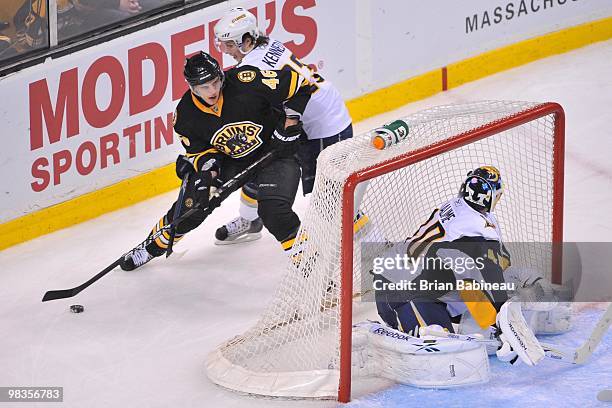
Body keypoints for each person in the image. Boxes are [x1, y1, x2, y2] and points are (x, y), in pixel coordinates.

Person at [119, 51, 313, 271]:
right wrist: (207, 175)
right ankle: (150, 248)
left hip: (275, 153)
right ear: (192, 87)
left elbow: (301, 83)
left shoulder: (245, 81)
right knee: (191, 207)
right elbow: (202, 153)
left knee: (274, 212)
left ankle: (311, 269)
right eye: (204, 87)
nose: (212, 91)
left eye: (215, 82)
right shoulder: (185, 115)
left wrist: (290, 121)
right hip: (231, 160)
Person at [373, 166, 551, 366]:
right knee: (440, 355)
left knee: (492, 292)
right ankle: (379, 338)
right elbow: (487, 272)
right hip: (400, 290)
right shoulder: (475, 228)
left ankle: (498, 326)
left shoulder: (466, 212)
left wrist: (496, 322)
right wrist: (503, 322)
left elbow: (484, 275)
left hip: (431, 289)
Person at [212, 7, 354, 245]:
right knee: (260, 166)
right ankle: (250, 221)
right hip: (302, 120)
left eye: (229, 45)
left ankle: (374, 248)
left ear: (247, 40)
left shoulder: (252, 69)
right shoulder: (268, 44)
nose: (226, 51)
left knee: (334, 200)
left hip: (325, 127)